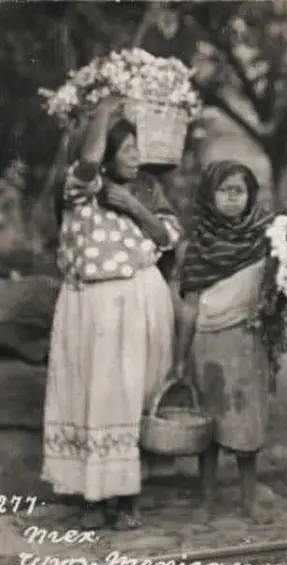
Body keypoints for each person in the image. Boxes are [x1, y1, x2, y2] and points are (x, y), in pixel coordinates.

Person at [42, 95, 182, 530]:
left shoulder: (143, 193)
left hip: (129, 306)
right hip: (87, 305)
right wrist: (103, 112)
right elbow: (86, 164)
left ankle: (125, 496)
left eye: (139, 149)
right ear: (104, 157)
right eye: (127, 150)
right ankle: (90, 497)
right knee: (87, 395)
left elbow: (167, 237)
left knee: (123, 398)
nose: (137, 157)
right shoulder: (79, 191)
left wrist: (134, 206)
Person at [169, 160, 273, 520]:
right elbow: (190, 307)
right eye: (224, 190)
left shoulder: (265, 240)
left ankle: (250, 499)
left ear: (250, 195)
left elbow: (275, 292)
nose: (232, 198)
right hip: (208, 344)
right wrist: (180, 359)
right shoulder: (197, 247)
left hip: (247, 339)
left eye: (239, 191)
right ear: (209, 196)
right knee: (208, 423)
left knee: (247, 420)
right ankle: (207, 497)